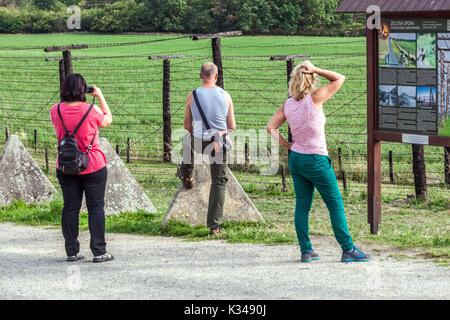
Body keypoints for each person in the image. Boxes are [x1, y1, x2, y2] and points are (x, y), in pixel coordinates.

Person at [266, 61, 371, 263]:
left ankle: (306, 251)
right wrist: (316, 69)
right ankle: (348, 248)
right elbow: (340, 78)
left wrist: (288, 145)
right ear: (311, 80)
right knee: (335, 204)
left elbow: (271, 127)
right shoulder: (315, 99)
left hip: (296, 158)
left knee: (302, 205)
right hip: (316, 158)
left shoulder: (288, 105)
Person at [49, 73, 114, 263]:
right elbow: (107, 120)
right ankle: (99, 251)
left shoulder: (56, 110)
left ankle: (72, 251)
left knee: (70, 207)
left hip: (65, 165)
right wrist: (100, 96)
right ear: (82, 90)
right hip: (93, 163)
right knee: (96, 207)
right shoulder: (91, 110)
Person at [177, 62, 236, 236]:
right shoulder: (226, 96)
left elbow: (187, 126)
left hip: (199, 142)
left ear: (200, 75)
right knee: (219, 182)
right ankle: (214, 226)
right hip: (218, 143)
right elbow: (231, 125)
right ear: (216, 76)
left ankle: (186, 174)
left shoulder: (192, 95)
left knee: (187, 140)